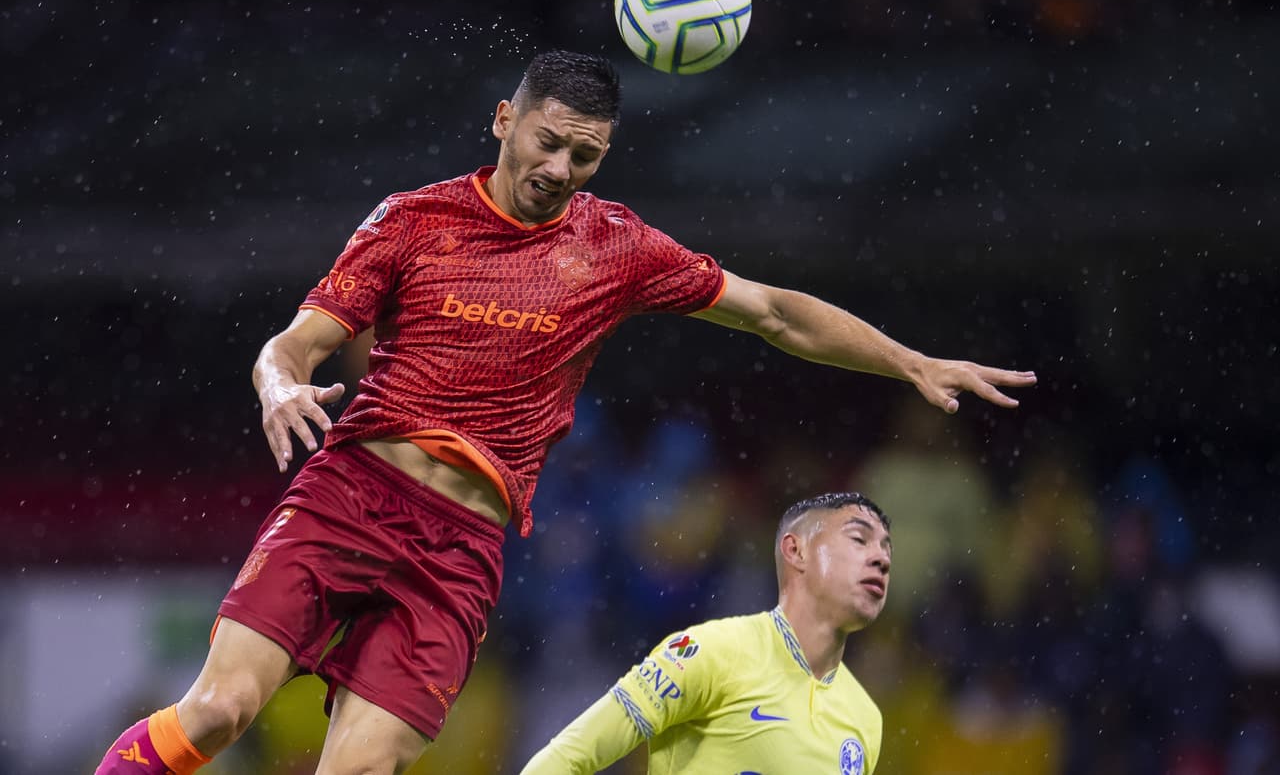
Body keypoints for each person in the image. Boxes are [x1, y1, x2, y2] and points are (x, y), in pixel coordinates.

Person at [95, 50, 1034, 775]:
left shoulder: (616, 245)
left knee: (363, 766)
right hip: (352, 492)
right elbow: (292, 345)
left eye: (583, 154)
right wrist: (279, 386)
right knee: (220, 711)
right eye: (546, 140)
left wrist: (909, 361)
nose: (559, 166)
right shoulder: (411, 222)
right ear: (505, 120)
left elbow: (774, 313)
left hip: (462, 547)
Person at [520, 491, 894, 775]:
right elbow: (566, 758)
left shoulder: (866, 720)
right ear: (796, 552)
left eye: (885, 548)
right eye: (859, 540)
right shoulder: (710, 651)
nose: (882, 558)